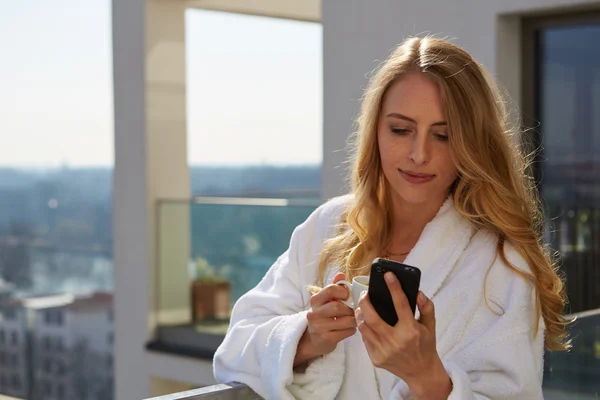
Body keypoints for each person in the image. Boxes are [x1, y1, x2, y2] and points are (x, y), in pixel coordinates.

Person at [213, 36, 570, 399]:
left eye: (443, 135)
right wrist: (306, 336)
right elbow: (235, 350)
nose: (419, 154)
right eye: (401, 130)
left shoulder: (500, 264)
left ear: (471, 144)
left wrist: (428, 378)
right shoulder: (327, 227)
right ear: (376, 132)